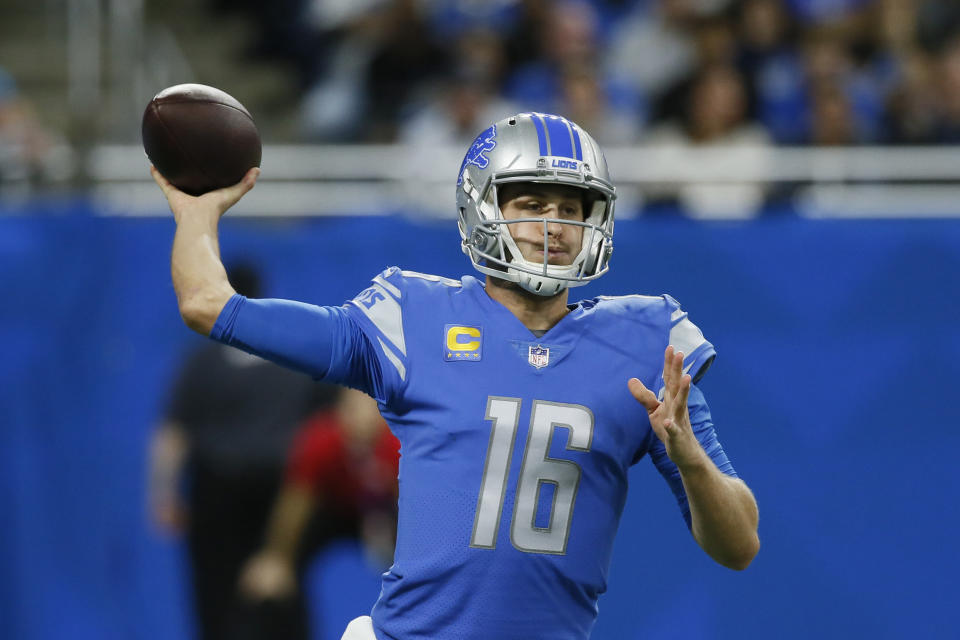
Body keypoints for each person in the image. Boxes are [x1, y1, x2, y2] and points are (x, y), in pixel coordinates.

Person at [151, 111, 760, 640]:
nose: (552, 227)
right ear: (483, 206)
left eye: (570, 209)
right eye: (531, 204)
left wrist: (690, 460)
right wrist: (197, 214)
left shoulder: (647, 345)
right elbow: (210, 305)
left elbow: (739, 546)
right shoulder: (413, 318)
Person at [148, 263, 334, 640]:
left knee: (220, 596)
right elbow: (328, 428)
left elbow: (173, 435)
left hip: (223, 491)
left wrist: (162, 493)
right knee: (279, 584)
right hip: (277, 494)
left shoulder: (202, 363)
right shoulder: (291, 358)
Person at [239, 387, 400, 611]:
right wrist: (277, 556)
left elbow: (410, 509)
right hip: (329, 513)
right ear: (339, 411)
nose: (362, 419)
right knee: (274, 580)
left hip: (380, 515)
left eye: (371, 410)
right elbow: (296, 504)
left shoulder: (398, 445)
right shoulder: (319, 440)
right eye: (353, 409)